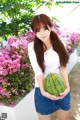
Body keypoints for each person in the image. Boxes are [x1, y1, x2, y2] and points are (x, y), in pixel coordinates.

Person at [28, 14, 70, 120]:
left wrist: (67, 87)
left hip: (61, 87)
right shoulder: (32, 47)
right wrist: (43, 92)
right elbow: (38, 71)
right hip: (42, 89)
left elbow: (62, 67)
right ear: (34, 32)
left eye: (45, 28)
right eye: (38, 30)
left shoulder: (60, 44)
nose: (42, 33)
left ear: (50, 27)